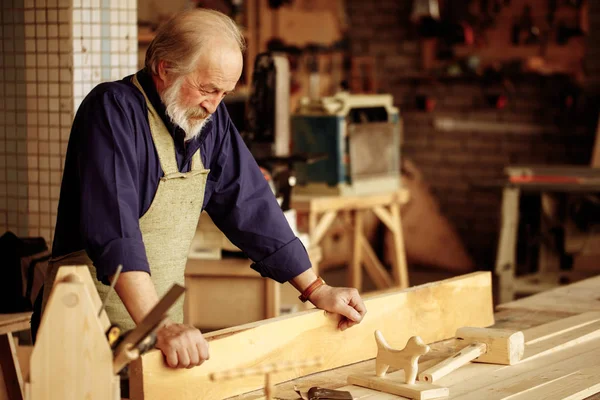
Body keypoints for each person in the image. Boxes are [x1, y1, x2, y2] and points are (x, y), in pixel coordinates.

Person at [33, 8, 367, 369]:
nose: (214, 105)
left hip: (159, 338)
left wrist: (317, 289)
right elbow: (115, 231)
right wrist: (158, 325)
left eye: (224, 93)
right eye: (208, 89)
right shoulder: (112, 111)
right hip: (87, 328)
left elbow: (250, 203)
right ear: (164, 68)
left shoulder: (209, 120)